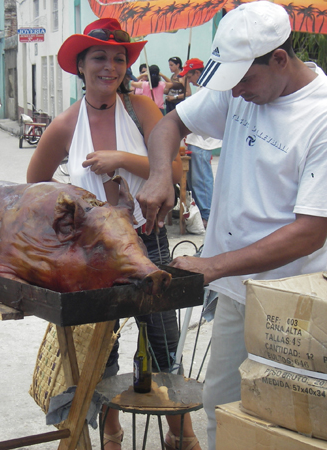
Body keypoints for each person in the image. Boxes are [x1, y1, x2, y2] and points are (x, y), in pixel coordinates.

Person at [135, 3, 327, 450]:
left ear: (280, 58)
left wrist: (214, 264)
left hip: (293, 302)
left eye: (244, 80)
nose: (236, 93)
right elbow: (171, 123)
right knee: (221, 406)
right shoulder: (239, 89)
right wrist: (161, 172)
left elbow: (312, 231)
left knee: (287, 425)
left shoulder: (320, 118)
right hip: (237, 288)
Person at [26, 18, 198, 450]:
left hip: (150, 241)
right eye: (99, 57)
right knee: (100, 354)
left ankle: (181, 435)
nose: (110, 66)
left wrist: (120, 158)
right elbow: (34, 190)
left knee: (163, 343)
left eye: (118, 58)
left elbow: (174, 174)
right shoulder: (65, 126)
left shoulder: (142, 112)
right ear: (80, 66)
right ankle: (111, 433)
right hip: (94, 257)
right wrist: (72, 216)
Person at [179, 58, 222, 228]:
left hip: (202, 142)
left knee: (201, 181)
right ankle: (204, 213)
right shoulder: (201, 89)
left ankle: (208, 215)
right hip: (194, 140)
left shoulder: (209, 89)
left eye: (190, 76)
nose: (189, 80)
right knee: (194, 181)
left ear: (197, 72)